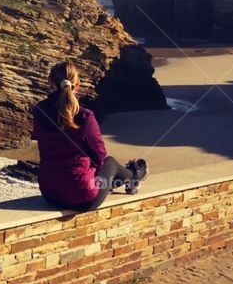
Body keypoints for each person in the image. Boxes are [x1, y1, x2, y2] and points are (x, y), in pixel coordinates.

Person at [31, 61, 148, 212]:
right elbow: (100, 155)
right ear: (77, 84)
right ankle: (133, 178)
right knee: (110, 162)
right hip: (83, 198)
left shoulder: (39, 111)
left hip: (50, 193)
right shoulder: (84, 116)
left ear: (50, 83)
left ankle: (121, 179)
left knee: (101, 169)